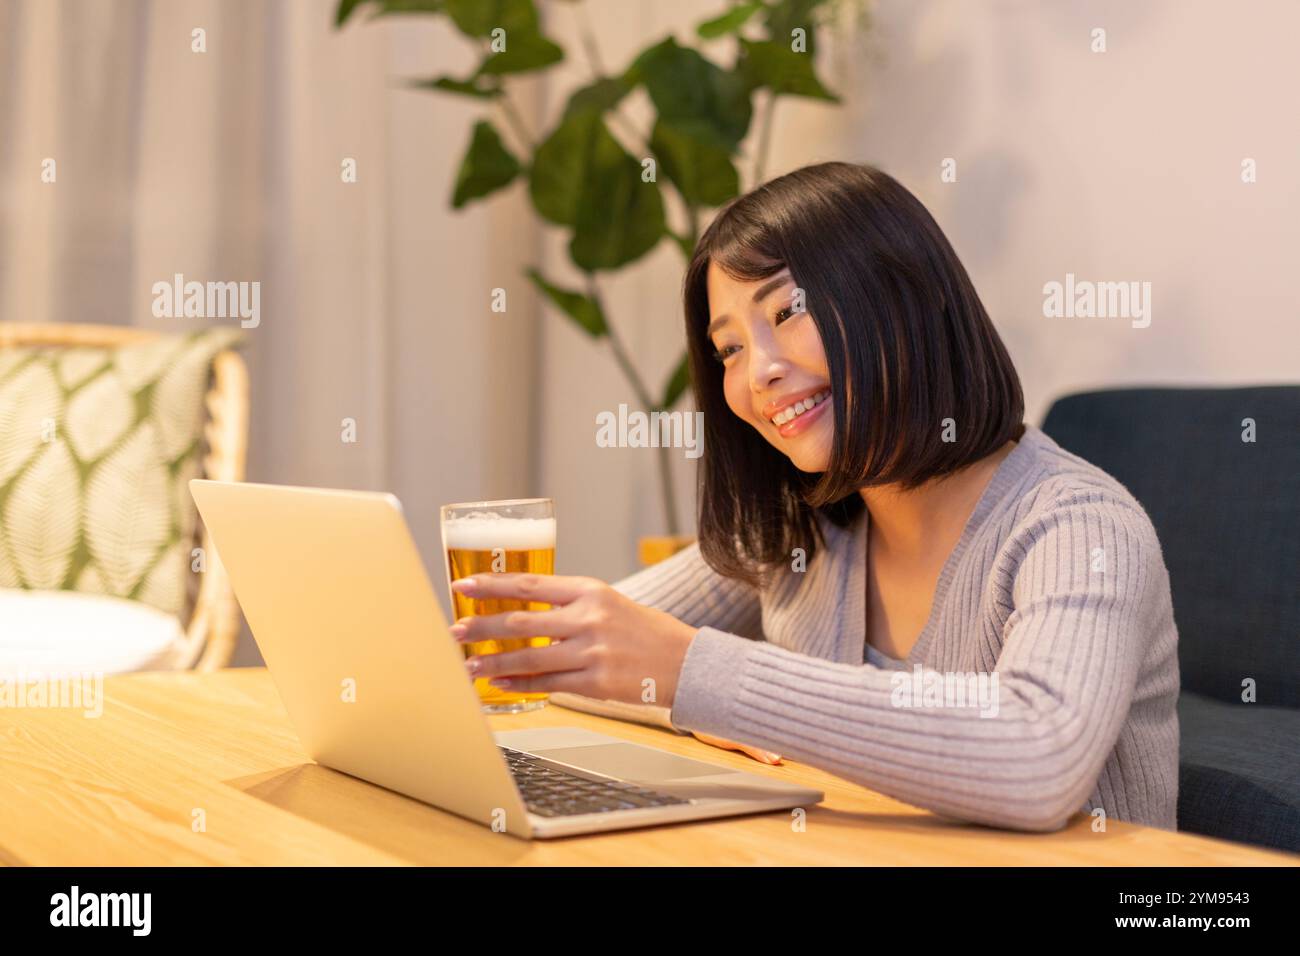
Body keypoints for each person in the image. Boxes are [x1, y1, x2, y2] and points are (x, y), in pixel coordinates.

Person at [448, 162, 1180, 832]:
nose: (757, 372)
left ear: (905, 300)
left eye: (788, 310)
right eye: (729, 348)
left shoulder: (1081, 527)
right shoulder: (801, 533)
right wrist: (691, 697)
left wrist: (697, 676)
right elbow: (567, 653)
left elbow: (1039, 758)